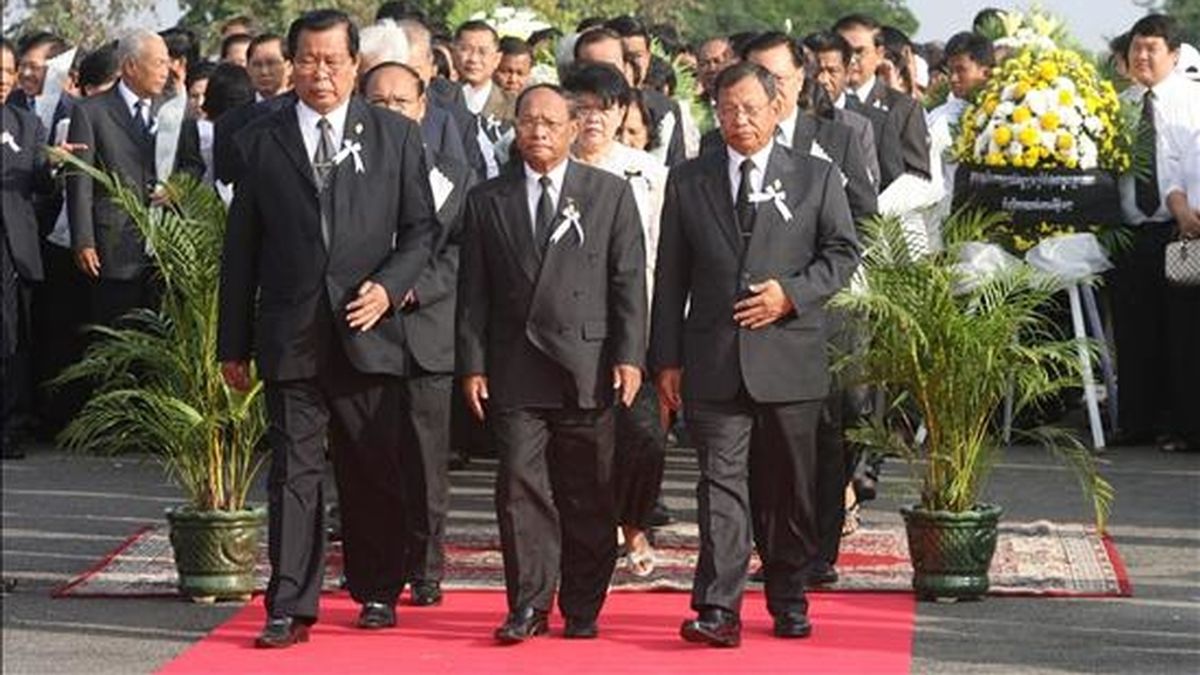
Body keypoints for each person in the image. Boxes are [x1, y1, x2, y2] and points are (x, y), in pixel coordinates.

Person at [216, 9, 437, 647]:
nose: (320, 73)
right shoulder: (260, 140)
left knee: (372, 466)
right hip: (290, 332)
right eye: (308, 60)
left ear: (354, 64)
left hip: (369, 329)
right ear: (291, 63)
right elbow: (242, 253)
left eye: (333, 61)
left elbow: (423, 229)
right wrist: (233, 344)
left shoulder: (394, 135)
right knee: (294, 470)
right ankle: (289, 603)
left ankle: (375, 590)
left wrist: (389, 288)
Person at [650, 62, 859, 647]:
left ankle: (789, 596)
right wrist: (665, 360)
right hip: (713, 361)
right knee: (719, 486)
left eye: (750, 108)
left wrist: (790, 294)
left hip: (789, 361)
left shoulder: (815, 177)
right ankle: (717, 608)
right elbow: (670, 278)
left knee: (787, 488)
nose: (739, 120)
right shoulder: (689, 180)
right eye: (727, 109)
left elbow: (843, 253)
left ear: (775, 110)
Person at [456, 84, 646, 643]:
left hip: (588, 363)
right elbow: (474, 294)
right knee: (519, 489)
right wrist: (473, 363)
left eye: (550, 122)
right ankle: (529, 605)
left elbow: (629, 281)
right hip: (515, 365)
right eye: (527, 121)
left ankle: (582, 604)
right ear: (514, 128)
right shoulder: (487, 199)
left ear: (572, 128)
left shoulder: (608, 193)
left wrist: (631, 355)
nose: (538, 131)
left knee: (588, 491)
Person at [361, 59, 477, 607]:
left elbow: (462, 254)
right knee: (369, 458)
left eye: (400, 102)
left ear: (423, 106)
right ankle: (374, 565)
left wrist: (409, 286)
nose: (390, 112)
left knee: (427, 463)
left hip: (427, 330)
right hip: (363, 330)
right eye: (378, 102)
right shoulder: (345, 168)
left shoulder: (455, 171)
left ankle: (426, 569)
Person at [562, 63, 669, 577]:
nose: (592, 119)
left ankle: (635, 523)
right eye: (580, 108)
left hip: (636, 321)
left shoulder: (647, 172)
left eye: (603, 108)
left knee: (643, 433)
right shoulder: (548, 166)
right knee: (582, 436)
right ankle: (588, 531)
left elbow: (666, 254)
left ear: (622, 110)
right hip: (565, 326)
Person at [66, 28, 205, 327]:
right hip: (114, 247)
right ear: (130, 66)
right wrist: (83, 240)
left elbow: (194, 164)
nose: (166, 71)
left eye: (168, 62)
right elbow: (80, 182)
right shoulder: (91, 112)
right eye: (158, 63)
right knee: (118, 337)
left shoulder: (175, 109)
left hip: (167, 245)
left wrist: (178, 187)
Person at [1112, 14, 1200, 453]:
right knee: (1132, 327)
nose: (1142, 56)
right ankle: (1136, 420)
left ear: (1174, 54)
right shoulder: (1118, 105)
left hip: (1180, 230)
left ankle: (1181, 423)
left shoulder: (1192, 100)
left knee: (1181, 330)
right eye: (1135, 49)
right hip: (1129, 230)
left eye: (1151, 48)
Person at [737, 32, 877, 221]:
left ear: (800, 79)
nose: (767, 91)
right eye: (759, 80)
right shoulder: (718, 142)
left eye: (777, 80)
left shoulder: (837, 140)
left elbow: (865, 219)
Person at [834, 14, 931, 189]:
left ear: (879, 54)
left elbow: (918, 177)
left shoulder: (903, 108)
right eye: (845, 51)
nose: (852, 59)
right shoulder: (818, 102)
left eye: (859, 51)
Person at [574, 27, 686, 166]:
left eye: (609, 65)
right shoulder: (558, 107)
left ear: (625, 64)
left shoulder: (660, 110)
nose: (600, 74)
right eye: (591, 65)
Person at [805, 30, 880, 190]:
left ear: (847, 73)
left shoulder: (859, 126)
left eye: (832, 71)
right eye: (816, 71)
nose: (822, 80)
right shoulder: (784, 118)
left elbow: (869, 186)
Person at [929, 31, 993, 193]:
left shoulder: (1006, 115)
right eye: (950, 71)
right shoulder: (939, 119)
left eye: (961, 70)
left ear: (986, 73)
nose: (953, 78)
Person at [453, 20, 515, 122]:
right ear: (454, 53)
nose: (473, 59)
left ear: (497, 59)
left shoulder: (513, 107)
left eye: (482, 52)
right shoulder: (436, 99)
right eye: (466, 49)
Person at [246, 34, 292, 101]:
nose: (264, 72)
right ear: (248, 69)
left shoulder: (303, 108)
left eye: (271, 63)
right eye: (257, 65)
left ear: (289, 67)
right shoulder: (238, 111)